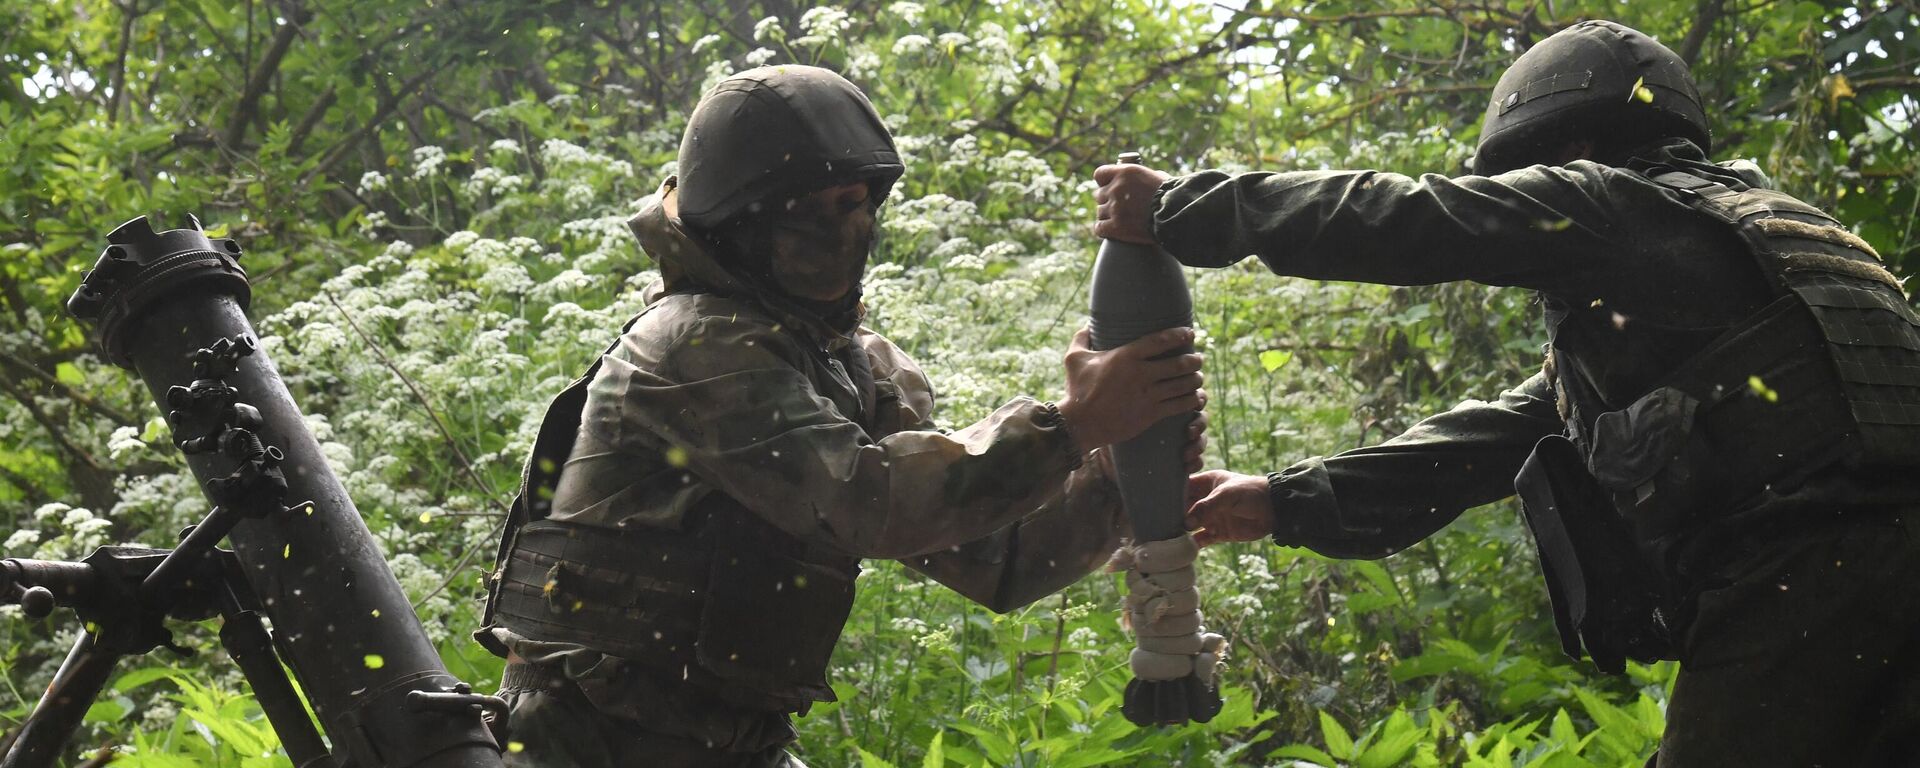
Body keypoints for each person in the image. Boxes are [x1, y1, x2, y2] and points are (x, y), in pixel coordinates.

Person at [1093, 19, 1920, 767]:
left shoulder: (1617, 208)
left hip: (1806, 585)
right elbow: (1511, 433)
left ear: (1551, 146)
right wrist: (1285, 501)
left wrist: (1183, 208)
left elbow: (1418, 218)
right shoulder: (1775, 244)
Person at [476, 65, 1209, 767]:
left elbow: (997, 560)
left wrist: (1110, 473)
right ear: (737, 224)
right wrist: (1076, 424)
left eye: (851, 202)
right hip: (587, 743)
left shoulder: (844, 361)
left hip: (729, 745)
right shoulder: (689, 345)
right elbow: (868, 502)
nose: (837, 229)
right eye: (805, 211)